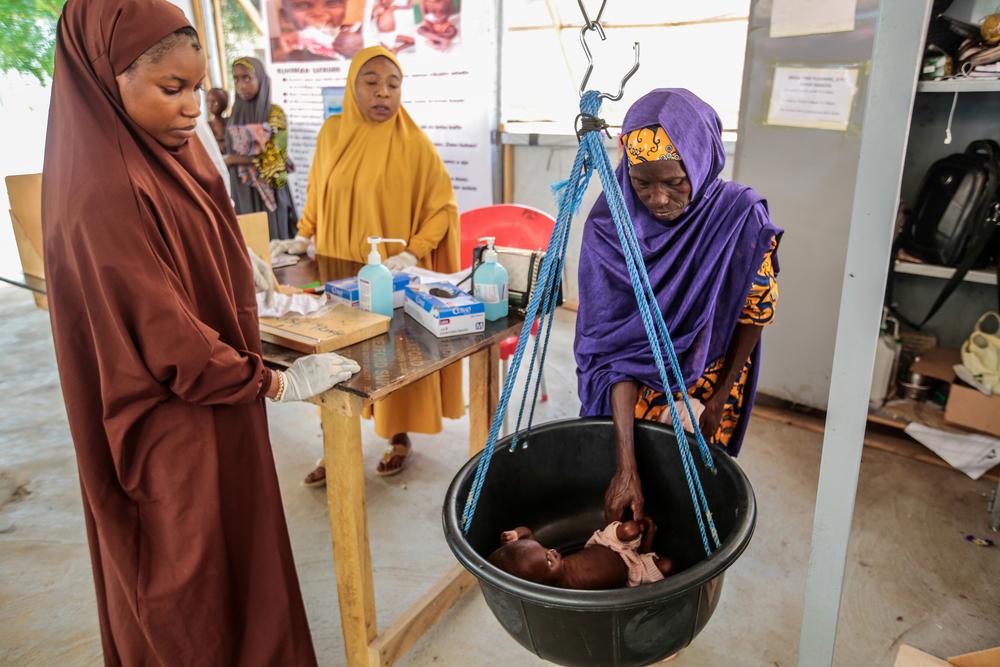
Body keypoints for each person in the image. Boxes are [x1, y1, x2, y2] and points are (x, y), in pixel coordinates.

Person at [41, 1, 361, 662]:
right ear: (107, 77)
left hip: (215, 404)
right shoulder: (102, 191)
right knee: (194, 585)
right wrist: (272, 380)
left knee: (241, 567)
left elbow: (189, 236)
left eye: (197, 86)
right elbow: (171, 344)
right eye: (172, 89)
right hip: (173, 425)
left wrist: (237, 262)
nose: (194, 108)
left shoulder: (160, 149)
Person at [574, 89, 782, 524]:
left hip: (711, 376)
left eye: (674, 182)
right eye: (642, 182)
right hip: (630, 392)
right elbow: (613, 355)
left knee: (690, 494)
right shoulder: (613, 226)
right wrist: (625, 466)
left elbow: (754, 312)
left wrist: (722, 395)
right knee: (636, 492)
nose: (659, 199)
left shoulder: (737, 219)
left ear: (701, 161)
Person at [272, 46, 462, 481]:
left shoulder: (413, 143)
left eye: (393, 85)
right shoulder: (333, 132)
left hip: (386, 277)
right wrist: (303, 236)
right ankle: (333, 447)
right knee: (335, 356)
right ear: (353, 86)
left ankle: (398, 435)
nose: (383, 93)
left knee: (388, 354)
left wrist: (412, 252)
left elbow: (442, 208)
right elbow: (318, 188)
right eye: (371, 82)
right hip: (337, 268)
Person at [225, 56, 299, 240]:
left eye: (247, 77)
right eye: (236, 79)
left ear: (260, 78)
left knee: (275, 244)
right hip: (243, 191)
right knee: (249, 242)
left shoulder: (275, 113)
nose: (241, 85)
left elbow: (276, 156)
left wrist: (232, 159)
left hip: (272, 189)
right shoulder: (234, 115)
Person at [488, 520, 673, 590]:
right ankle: (647, 548)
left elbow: (528, 532)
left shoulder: (537, 558)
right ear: (542, 582)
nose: (551, 552)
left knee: (630, 528)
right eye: (548, 562)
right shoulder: (559, 589)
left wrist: (516, 534)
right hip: (633, 572)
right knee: (666, 566)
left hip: (609, 545)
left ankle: (640, 542)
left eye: (544, 549)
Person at [206, 86, 229, 153]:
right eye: (207, 102)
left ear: (224, 103)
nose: (210, 105)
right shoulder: (207, 125)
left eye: (214, 102)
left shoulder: (230, 122)